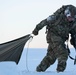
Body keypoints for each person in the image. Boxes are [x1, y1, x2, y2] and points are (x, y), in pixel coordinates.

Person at [32, 5, 76, 72]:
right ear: (66, 14)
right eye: (69, 17)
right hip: (52, 36)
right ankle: (60, 72)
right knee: (63, 54)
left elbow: (74, 35)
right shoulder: (56, 17)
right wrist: (36, 30)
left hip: (61, 39)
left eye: (72, 18)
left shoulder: (72, 23)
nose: (70, 19)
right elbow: (44, 22)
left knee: (51, 57)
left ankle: (39, 71)